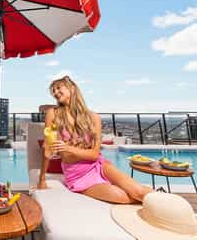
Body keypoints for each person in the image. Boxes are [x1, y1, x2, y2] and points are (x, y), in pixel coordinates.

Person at [38, 76, 153, 204]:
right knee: (122, 196)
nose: (55, 92)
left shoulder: (94, 118)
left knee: (138, 192)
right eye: (53, 91)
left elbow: (93, 155)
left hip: (99, 165)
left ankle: (169, 206)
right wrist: (42, 180)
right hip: (77, 175)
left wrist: (68, 148)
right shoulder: (53, 113)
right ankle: (157, 201)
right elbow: (47, 148)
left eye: (58, 88)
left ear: (72, 88)